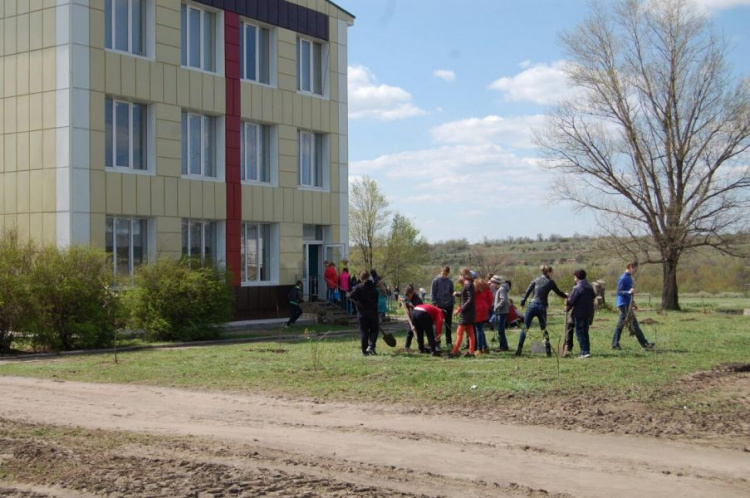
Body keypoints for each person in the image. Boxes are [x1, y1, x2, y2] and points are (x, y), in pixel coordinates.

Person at [516, 265, 568, 357]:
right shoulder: (551, 282)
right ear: (548, 273)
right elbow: (559, 293)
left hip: (531, 305)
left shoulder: (535, 280)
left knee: (525, 328)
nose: (553, 274)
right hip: (541, 307)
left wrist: (522, 302)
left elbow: (527, 292)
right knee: (543, 329)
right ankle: (548, 352)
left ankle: (519, 350)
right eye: (552, 272)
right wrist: (566, 296)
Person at [611, 261, 655, 350]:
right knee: (634, 324)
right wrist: (628, 292)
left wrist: (633, 303)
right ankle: (645, 344)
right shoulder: (623, 278)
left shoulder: (629, 277)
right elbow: (619, 292)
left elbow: (630, 294)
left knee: (621, 325)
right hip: (623, 304)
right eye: (635, 269)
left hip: (627, 303)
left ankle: (615, 344)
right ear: (630, 267)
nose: (635, 271)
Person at [348, 270, 380, 356]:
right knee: (374, 330)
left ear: (361, 278)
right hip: (373, 312)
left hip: (362, 313)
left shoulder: (359, 287)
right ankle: (371, 346)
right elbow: (377, 296)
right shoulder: (374, 287)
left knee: (364, 331)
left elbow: (350, 296)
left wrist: (357, 302)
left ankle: (364, 350)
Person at [566, 269, 596, 358]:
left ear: (577, 277)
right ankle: (587, 350)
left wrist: (567, 301)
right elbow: (593, 296)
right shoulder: (589, 286)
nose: (574, 278)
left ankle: (584, 352)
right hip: (588, 313)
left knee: (579, 332)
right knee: (585, 332)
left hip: (579, 313)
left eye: (574, 276)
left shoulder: (577, 288)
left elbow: (571, 301)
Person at [447, 268, 476, 358]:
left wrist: (462, 309)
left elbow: (470, 299)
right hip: (469, 312)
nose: (459, 277)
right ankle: (471, 353)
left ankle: (454, 352)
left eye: (460, 275)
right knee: (470, 333)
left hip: (466, 313)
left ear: (463, 275)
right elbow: (466, 295)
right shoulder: (468, 284)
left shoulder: (468, 284)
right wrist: (457, 293)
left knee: (459, 333)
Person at [430, 266, 455, 349]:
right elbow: (432, 294)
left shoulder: (450, 282)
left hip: (448, 305)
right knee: (438, 324)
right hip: (438, 306)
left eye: (446, 274)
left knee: (448, 324)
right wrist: (435, 304)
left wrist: (452, 302)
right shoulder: (436, 281)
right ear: (441, 272)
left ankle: (449, 342)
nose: (444, 275)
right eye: (443, 273)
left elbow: (452, 293)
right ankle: (437, 342)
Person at [490, 276, 510, 351]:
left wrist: (496, 307)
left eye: (492, 283)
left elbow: (503, 300)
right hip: (500, 312)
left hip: (502, 312)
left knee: (500, 330)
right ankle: (502, 345)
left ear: (496, 283)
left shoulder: (502, 289)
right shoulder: (500, 289)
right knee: (499, 329)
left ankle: (504, 346)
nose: (491, 284)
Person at [473, 278, 493, 354]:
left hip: (477, 309)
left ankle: (479, 348)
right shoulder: (486, 288)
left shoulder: (474, 290)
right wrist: (487, 306)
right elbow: (490, 298)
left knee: (478, 329)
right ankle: (485, 347)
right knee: (481, 329)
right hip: (484, 308)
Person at [402, 285, 424, 350]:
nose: (407, 297)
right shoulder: (408, 298)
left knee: (419, 333)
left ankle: (421, 347)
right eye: (406, 296)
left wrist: (415, 324)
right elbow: (405, 300)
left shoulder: (417, 300)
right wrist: (403, 301)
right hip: (412, 318)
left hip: (419, 318)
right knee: (410, 332)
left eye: (408, 295)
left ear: (412, 293)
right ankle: (407, 346)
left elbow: (418, 310)